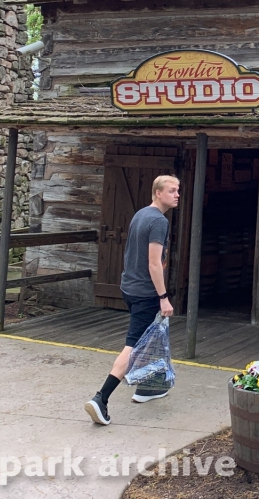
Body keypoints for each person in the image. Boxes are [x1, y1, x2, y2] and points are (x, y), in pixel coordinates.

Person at [85, 175, 179, 425]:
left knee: (152, 337)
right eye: (172, 190)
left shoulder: (141, 214)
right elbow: (154, 263)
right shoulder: (158, 221)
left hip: (129, 287)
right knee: (134, 346)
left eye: (177, 190)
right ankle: (101, 398)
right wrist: (163, 297)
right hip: (146, 293)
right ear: (158, 193)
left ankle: (150, 388)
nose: (177, 194)